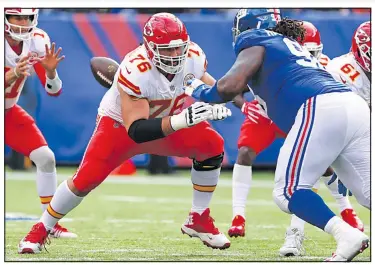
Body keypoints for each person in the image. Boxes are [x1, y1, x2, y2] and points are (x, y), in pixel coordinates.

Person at [18, 12, 232, 254]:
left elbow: (209, 86)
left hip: (165, 121)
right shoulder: (136, 69)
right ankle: (41, 228)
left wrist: (224, 101)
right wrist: (183, 119)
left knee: (212, 144)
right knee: (84, 181)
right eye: (166, 50)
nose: (174, 56)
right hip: (121, 127)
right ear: (150, 47)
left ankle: (199, 218)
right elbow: (137, 130)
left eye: (178, 49)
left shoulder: (192, 55)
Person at [184, 9, 370, 261]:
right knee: (369, 192)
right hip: (352, 104)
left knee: (287, 192)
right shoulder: (290, 45)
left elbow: (229, 87)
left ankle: (345, 235)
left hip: (319, 107)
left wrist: (198, 90)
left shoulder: (256, 39)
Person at [279, 20, 365, 257]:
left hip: (356, 130)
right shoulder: (339, 71)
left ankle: (345, 216)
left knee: (367, 193)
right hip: (330, 122)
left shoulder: (327, 65)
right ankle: (295, 234)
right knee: (302, 180)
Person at [5, 8, 76, 239]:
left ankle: (49, 223)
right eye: (17, 17)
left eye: (27, 17)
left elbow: (53, 91)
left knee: (46, 158)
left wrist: (51, 73)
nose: (23, 23)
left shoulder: (37, 40)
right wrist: (12, 73)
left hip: (7, 111)